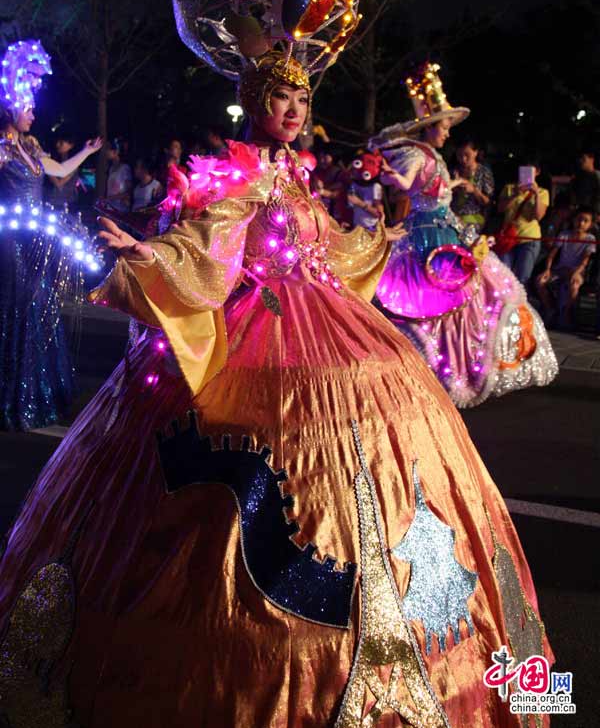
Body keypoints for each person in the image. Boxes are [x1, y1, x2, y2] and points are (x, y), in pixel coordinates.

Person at [0, 46, 552, 727]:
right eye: (280, 99)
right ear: (257, 104)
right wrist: (152, 253)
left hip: (331, 327)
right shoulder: (245, 175)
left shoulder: (294, 172)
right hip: (262, 334)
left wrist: (401, 244)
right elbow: (208, 245)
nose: (293, 112)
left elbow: (341, 251)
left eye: (301, 101)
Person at [372, 61, 557, 408]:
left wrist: (452, 185)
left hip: (448, 232)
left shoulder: (436, 157)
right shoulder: (417, 155)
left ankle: (452, 366)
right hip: (429, 240)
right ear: (428, 128)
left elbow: (431, 187)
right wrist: (394, 179)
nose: (447, 133)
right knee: (440, 303)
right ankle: (439, 368)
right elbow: (407, 182)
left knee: (475, 296)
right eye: (443, 127)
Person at [0, 39, 102, 431]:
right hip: (10, 241)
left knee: (39, 307)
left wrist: (87, 154)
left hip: (34, 240)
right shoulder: (3, 150)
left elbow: (58, 171)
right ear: (10, 106)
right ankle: (13, 398)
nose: (32, 112)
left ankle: (39, 394)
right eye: (27, 107)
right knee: (16, 307)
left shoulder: (29, 146)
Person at [535, 206, 596, 328]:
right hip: (559, 270)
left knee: (574, 285)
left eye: (585, 221)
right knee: (540, 281)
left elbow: (585, 261)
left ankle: (567, 312)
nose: (581, 223)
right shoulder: (564, 234)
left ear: (590, 224)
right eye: (579, 219)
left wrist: (576, 272)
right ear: (573, 220)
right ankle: (550, 309)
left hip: (577, 271)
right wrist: (547, 270)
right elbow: (552, 254)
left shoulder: (591, 239)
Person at [497, 162, 549, 285]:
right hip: (508, 238)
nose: (526, 172)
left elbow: (538, 216)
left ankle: (519, 304)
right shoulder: (509, 188)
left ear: (537, 172)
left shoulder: (542, 192)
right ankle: (506, 303)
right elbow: (500, 209)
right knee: (503, 277)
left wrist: (535, 194)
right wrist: (515, 194)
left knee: (522, 278)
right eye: (523, 169)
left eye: (530, 170)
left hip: (529, 239)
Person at [451, 137, 494, 232]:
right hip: (453, 220)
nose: (463, 159)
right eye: (459, 155)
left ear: (476, 152)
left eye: (467, 155)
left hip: (473, 222)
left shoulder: (483, 172)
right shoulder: (453, 171)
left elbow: (488, 202)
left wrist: (474, 190)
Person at [45, 132, 81, 208]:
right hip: (53, 202)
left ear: (71, 145)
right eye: (57, 142)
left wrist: (45, 167)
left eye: (61, 143)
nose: (57, 145)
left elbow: (59, 183)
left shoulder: (74, 164)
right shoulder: (56, 161)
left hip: (67, 204)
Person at [568, 150, 600, 220]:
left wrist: (597, 213)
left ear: (592, 159)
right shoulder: (576, 178)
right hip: (580, 214)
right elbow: (573, 198)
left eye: (583, 158)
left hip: (594, 215)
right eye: (579, 159)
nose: (580, 161)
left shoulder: (597, 176)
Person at [105, 138, 133, 212]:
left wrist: (109, 198)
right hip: (110, 207)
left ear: (116, 151)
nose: (106, 151)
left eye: (108, 149)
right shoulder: (111, 168)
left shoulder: (125, 168)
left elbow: (128, 192)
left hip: (120, 209)